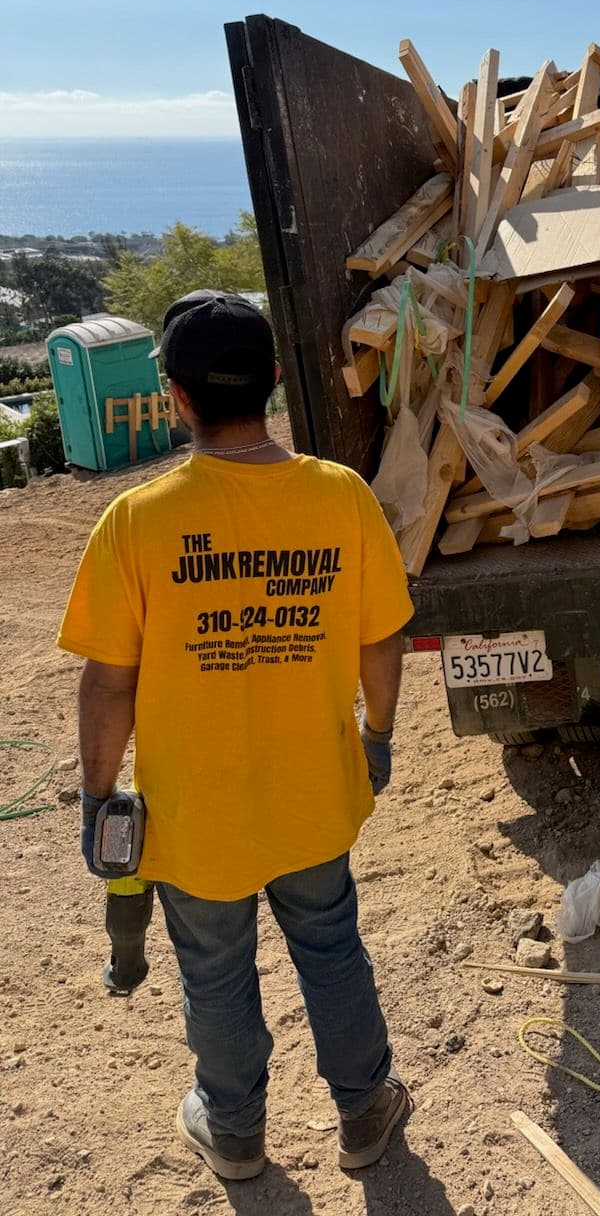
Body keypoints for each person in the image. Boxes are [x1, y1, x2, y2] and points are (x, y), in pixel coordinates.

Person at [59, 292, 414, 1181]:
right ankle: (365, 1113)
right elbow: (381, 638)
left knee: (214, 970)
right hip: (315, 791)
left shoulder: (137, 522)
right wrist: (378, 736)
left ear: (176, 397)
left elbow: (109, 682)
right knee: (330, 943)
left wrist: (98, 797)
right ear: (278, 385)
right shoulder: (342, 498)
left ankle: (235, 1131)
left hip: (195, 813)